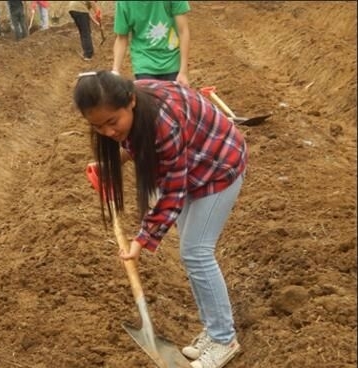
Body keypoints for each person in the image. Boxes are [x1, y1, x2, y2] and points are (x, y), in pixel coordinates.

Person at [74, 71, 244, 368]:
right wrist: (110, 162)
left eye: (112, 122)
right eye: (97, 126)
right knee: (192, 252)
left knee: (196, 252)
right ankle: (212, 329)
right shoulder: (132, 106)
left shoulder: (160, 120)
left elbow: (173, 191)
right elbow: (140, 144)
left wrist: (141, 239)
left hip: (219, 164)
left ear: (130, 101)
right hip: (192, 162)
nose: (108, 132)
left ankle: (223, 338)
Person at [112, 1, 191, 85]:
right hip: (143, 62)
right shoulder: (124, 3)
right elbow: (121, 38)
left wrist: (183, 72)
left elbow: (183, 31)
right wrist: (115, 70)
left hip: (172, 60)